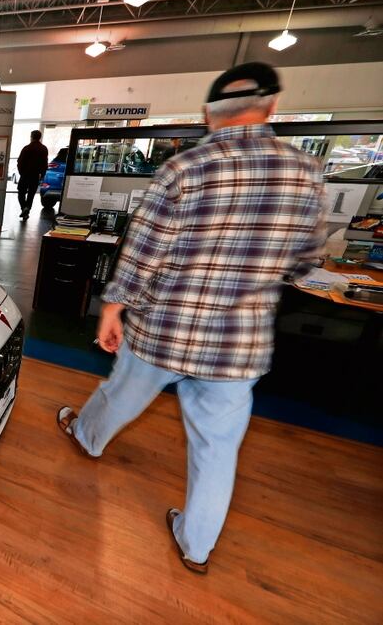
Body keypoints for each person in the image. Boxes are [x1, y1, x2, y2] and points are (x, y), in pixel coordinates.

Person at [55, 62, 326, 574]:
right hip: (239, 343)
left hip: (165, 331)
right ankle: (196, 546)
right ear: (273, 108)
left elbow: (144, 252)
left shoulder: (187, 169)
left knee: (122, 395)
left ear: (208, 114)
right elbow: (306, 259)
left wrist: (113, 306)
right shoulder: (306, 171)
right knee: (218, 447)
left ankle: (88, 439)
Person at [16, 130, 49, 220]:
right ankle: (27, 209)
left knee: (21, 192)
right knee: (31, 194)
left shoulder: (27, 148)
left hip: (25, 175)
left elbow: (20, 161)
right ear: (40, 137)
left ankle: (24, 208)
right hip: (35, 175)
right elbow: (45, 163)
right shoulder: (44, 149)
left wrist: (21, 172)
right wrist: (42, 174)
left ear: (31, 137)